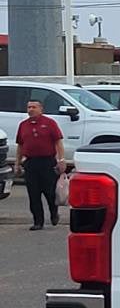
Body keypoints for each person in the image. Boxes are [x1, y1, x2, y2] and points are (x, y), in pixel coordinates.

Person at [15, 98, 65, 230]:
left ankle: (54, 213)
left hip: (47, 162)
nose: (31, 110)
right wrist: (17, 163)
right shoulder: (23, 125)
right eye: (29, 107)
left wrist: (61, 160)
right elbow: (20, 145)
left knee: (50, 193)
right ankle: (38, 221)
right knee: (33, 194)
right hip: (31, 163)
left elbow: (58, 142)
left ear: (41, 109)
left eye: (34, 107)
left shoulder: (49, 123)